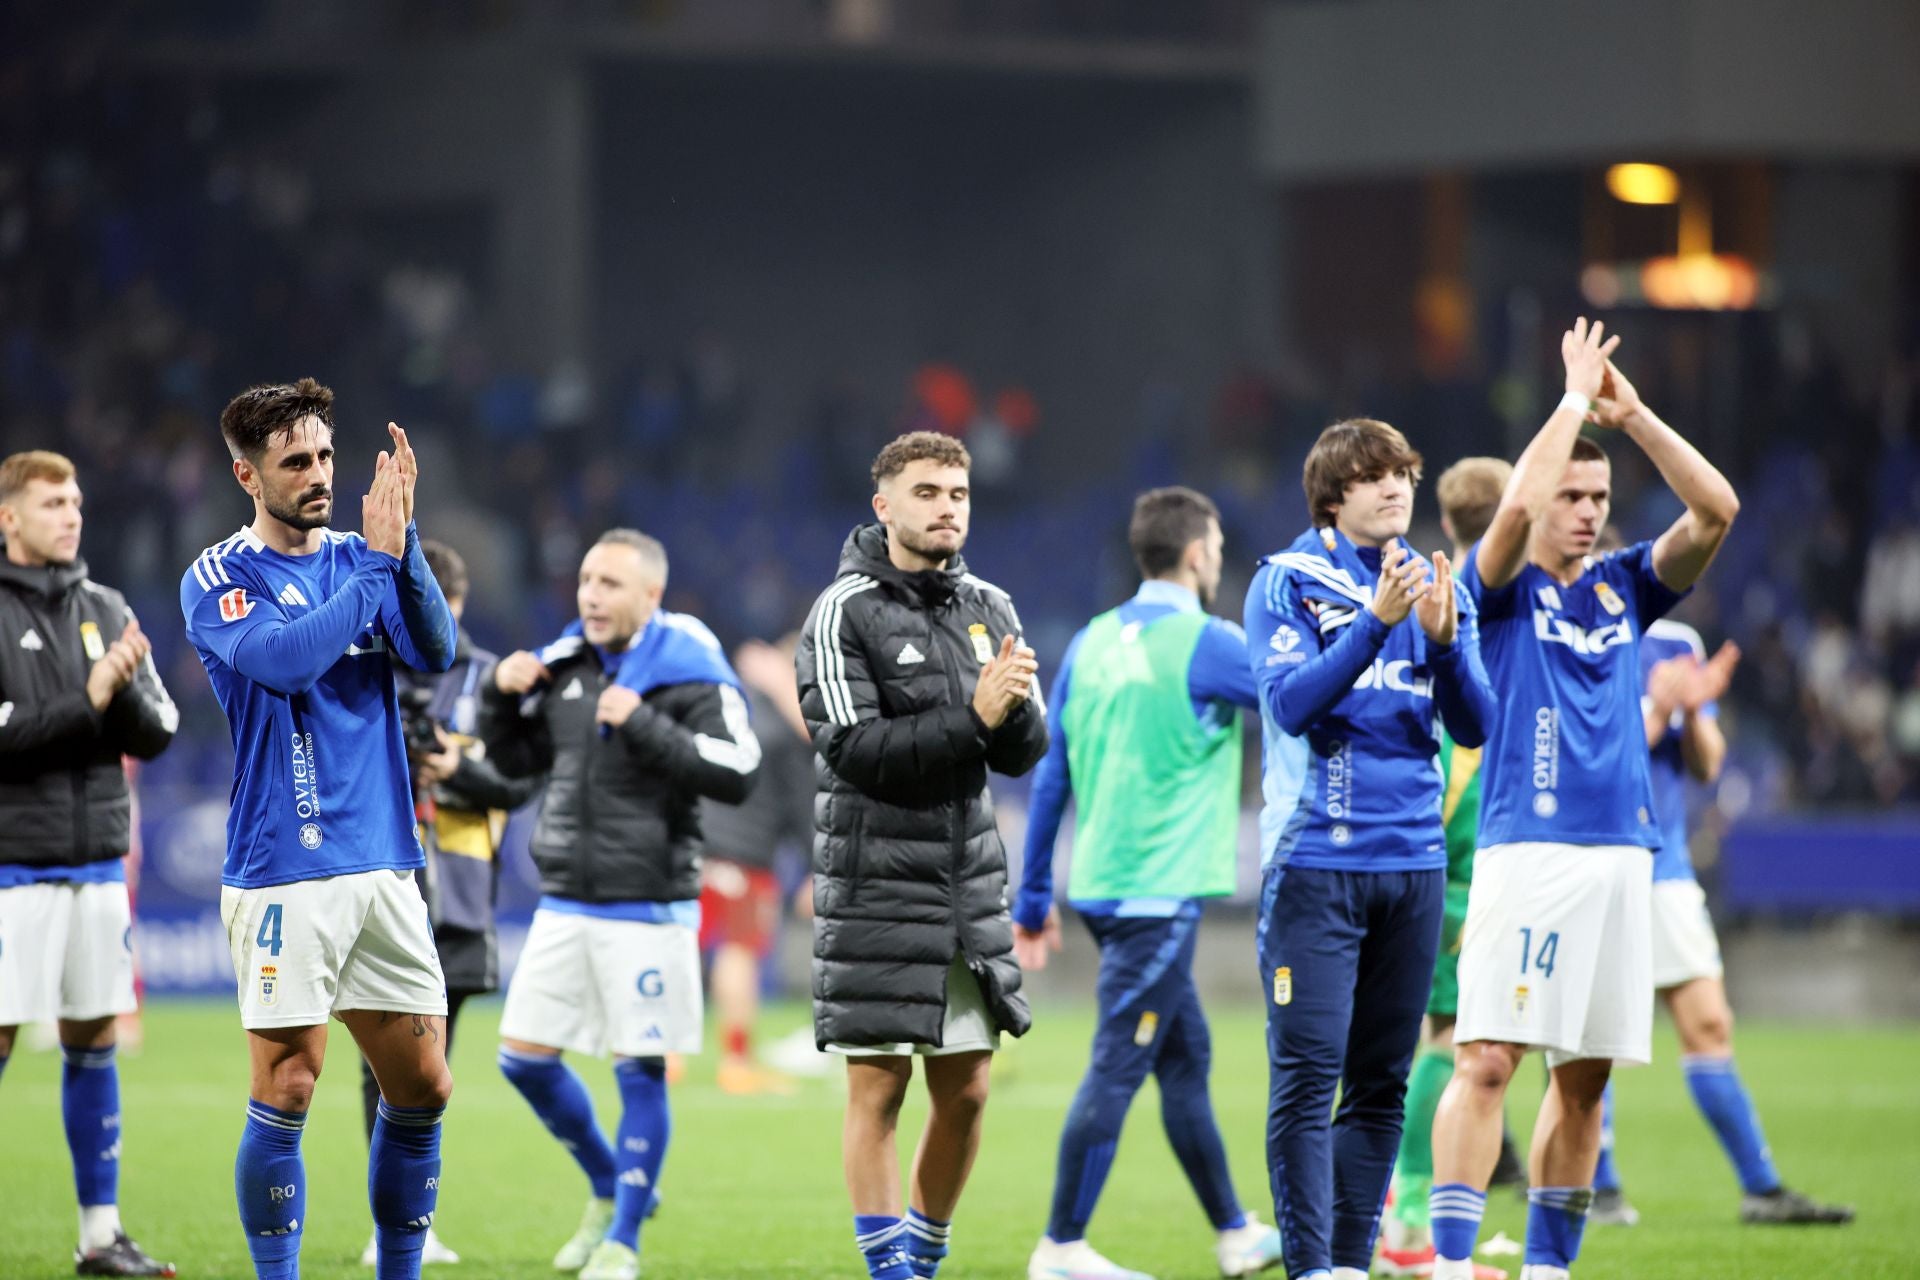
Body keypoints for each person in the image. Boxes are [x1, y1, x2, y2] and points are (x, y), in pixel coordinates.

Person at [1427, 319, 1740, 1280]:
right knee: (1486, 1059)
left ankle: (1549, 1269)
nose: (1587, 512)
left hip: (1623, 859)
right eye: (1575, 493)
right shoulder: (1502, 589)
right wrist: (1567, 402)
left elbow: (1717, 509)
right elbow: (1514, 513)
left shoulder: (1623, 588)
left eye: (1599, 499)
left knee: (1588, 1077)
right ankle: (1446, 1263)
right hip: (1529, 854)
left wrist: (1632, 414)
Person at [181, 379, 458, 1280]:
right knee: (290, 1086)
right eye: (294, 461)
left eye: (326, 456)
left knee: (421, 1088)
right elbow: (287, 662)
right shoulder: (220, 576)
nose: (317, 475)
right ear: (246, 474)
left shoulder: (362, 552)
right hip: (284, 869)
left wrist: (402, 542)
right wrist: (376, 566)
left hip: (383, 862)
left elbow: (433, 650)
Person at [1243, 419, 1496, 1280]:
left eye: (1404, 474)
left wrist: (1443, 643)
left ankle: (1349, 1266)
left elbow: (1476, 725)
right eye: (1373, 476)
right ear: (1332, 495)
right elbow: (1288, 705)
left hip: (1414, 868)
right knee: (1310, 1082)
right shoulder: (1288, 582)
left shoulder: (1437, 583)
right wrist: (1374, 629)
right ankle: (1312, 1268)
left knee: (1383, 1086)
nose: (1395, 488)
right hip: (1317, 864)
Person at [1014, 486, 1284, 1280]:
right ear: (1199, 552)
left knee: (1183, 1056)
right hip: (1157, 890)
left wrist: (1035, 895)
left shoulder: (1093, 641)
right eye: (1218, 547)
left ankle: (1235, 1231)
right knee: (1119, 1062)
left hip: (1100, 880)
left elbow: (1052, 771)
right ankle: (1060, 1246)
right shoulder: (1210, 641)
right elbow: (1299, 700)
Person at [795, 431, 1048, 1280]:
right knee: (880, 1089)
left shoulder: (992, 607)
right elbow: (855, 749)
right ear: (886, 506)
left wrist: (1011, 715)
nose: (947, 508)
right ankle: (888, 1270)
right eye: (929, 492)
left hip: (964, 885)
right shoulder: (843, 610)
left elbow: (1023, 752)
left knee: (969, 1092)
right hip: (874, 883)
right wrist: (977, 717)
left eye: (958, 494)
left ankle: (925, 1252)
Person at [482, 528, 761, 1280]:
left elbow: (739, 771)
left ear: (651, 596)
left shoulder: (692, 670)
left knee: (640, 1071)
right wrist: (497, 699)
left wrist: (641, 721)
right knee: (523, 1060)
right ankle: (612, 1185)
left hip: (650, 906)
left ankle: (624, 1241)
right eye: (586, 581)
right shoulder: (566, 664)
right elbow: (514, 767)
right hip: (566, 899)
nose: (591, 596)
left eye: (610, 584)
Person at [1584, 618, 1852, 1228]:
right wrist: (1659, 705)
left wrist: (1697, 711)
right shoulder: (1572, 628)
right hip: (1594, 862)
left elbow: (1705, 766)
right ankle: (1597, 1190)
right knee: (1590, 1039)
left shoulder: (1677, 640)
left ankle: (1761, 1189)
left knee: (1709, 1022)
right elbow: (1594, 763)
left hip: (1667, 866)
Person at [0, 450, 178, 1277]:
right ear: (10, 518)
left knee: (94, 1035)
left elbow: (159, 729)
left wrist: (127, 689)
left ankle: (101, 1236)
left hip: (97, 865)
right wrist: (94, 698)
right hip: (13, 867)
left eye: (75, 500)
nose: (71, 514)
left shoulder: (104, 605)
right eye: (51, 502)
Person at [355, 539, 543, 1267]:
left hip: (461, 891)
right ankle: (392, 1227)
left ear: (451, 603)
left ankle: (410, 1218)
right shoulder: (369, 667)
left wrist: (462, 768)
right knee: (380, 1066)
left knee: (431, 1069)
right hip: (384, 884)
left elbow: (522, 783)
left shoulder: (490, 679)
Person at [1379, 458, 1522, 1280]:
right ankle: (1405, 1224)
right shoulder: (1475, 599)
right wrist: (1448, 874)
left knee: (1440, 1041)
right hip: (1460, 858)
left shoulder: (1441, 585)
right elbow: (1459, 751)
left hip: (1447, 855)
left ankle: (1391, 1220)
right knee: (1446, 1039)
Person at [697, 633, 815, 1095]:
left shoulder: (730, 705)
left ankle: (663, 1059)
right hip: (746, 856)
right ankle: (737, 1060)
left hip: (697, 845)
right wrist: (814, 865)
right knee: (738, 952)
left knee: (683, 950)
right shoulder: (786, 731)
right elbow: (799, 803)